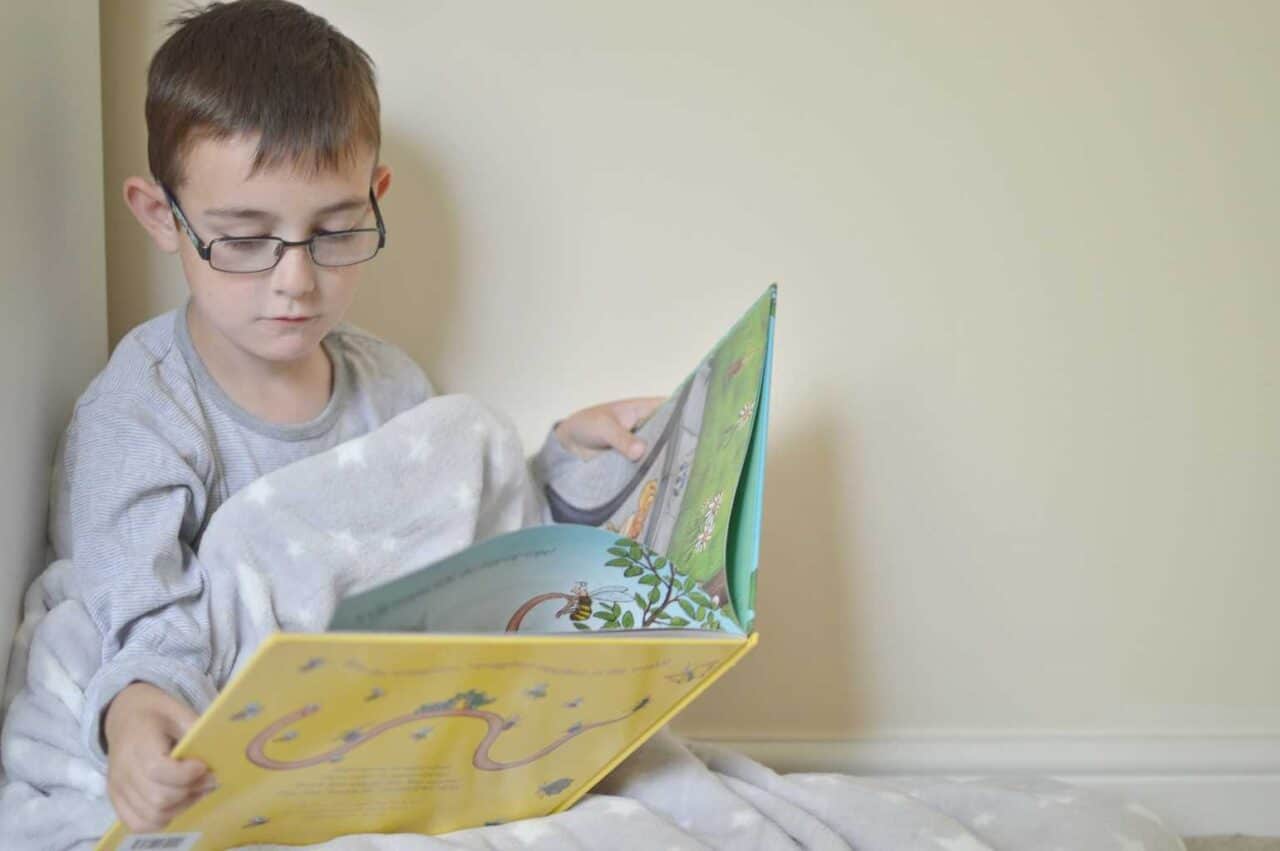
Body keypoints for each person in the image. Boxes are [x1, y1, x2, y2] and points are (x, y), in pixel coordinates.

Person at [48, 0, 659, 832]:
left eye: (335, 230)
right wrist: (138, 712)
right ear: (164, 217)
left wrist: (562, 465)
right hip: (240, 729)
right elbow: (135, 608)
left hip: (377, 731)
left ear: (374, 197)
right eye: (244, 238)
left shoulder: (388, 382)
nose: (296, 281)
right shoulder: (141, 410)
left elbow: (458, 551)